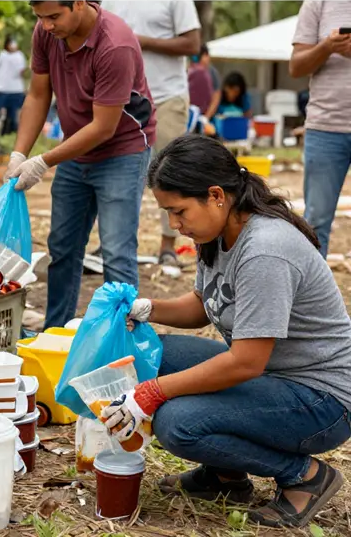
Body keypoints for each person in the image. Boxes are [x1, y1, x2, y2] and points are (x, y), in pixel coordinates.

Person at [104, 134, 351, 528]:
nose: (174, 224)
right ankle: (225, 475)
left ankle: (304, 476)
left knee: (177, 423)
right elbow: (205, 304)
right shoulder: (219, 234)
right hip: (273, 378)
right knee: (154, 352)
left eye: (179, 211)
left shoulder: (265, 250)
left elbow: (246, 363)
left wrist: (152, 393)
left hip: (321, 401)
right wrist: (145, 309)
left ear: (216, 195)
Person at [5, 1, 156, 329]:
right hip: (76, 149)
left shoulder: (115, 44)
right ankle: (55, 330)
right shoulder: (47, 33)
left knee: (116, 252)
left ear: (78, 2)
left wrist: (44, 161)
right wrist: (19, 153)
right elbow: (37, 95)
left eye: (54, 16)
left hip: (122, 151)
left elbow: (104, 127)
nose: (46, 25)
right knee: (62, 247)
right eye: (39, 17)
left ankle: (121, 336)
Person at [102, 1, 201, 265]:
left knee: (172, 173)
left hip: (167, 97)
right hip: (123, 99)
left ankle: (168, 245)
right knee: (115, 174)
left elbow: (192, 45)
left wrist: (142, 41)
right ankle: (112, 245)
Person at [290, 0, 351, 257]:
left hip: (326, 128)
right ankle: (312, 297)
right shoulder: (319, 1)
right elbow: (296, 67)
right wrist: (327, 46)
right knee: (315, 222)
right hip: (326, 127)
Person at [0, 35, 27, 134]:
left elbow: (22, 71)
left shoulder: (19, 55)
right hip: (3, 89)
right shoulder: (3, 55)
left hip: (15, 90)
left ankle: (10, 133)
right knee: (1, 114)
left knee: (12, 116)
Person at [190, 44, 221, 120]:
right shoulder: (190, 71)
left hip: (207, 117)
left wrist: (206, 117)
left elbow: (216, 96)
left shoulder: (212, 72)